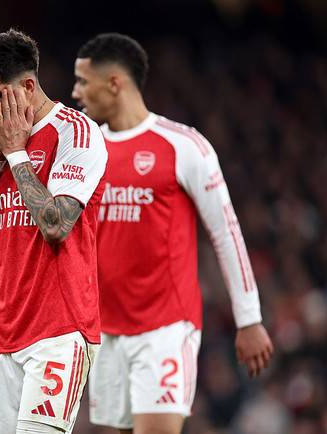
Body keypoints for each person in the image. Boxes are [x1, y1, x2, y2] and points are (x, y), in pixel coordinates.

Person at [71, 33, 274, 434]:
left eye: (83, 81)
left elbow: (225, 231)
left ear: (114, 83)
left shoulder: (183, 145)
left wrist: (249, 318)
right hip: (104, 332)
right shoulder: (85, 152)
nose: (75, 92)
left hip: (164, 327)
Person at [0, 29, 108, 434]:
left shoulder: (76, 132)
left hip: (59, 332)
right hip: (1, 336)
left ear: (27, 87)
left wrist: (17, 153)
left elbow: (55, 225)